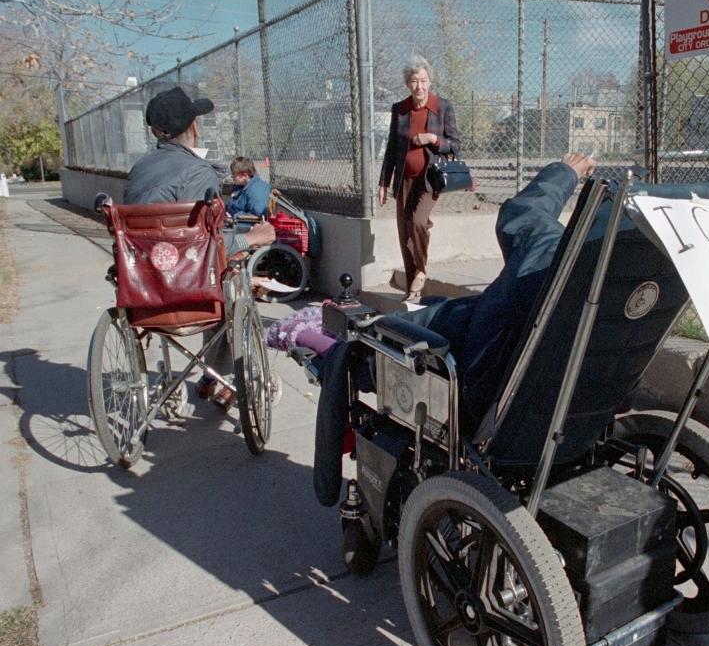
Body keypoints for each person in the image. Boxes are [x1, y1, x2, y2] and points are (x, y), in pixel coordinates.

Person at [312, 152, 596, 506]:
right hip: (570, 412)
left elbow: (522, 213)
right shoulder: (618, 280)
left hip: (474, 388)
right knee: (430, 313)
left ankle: (328, 473)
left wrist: (565, 171)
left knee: (352, 349)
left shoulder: (549, 253)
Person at [124, 85, 276, 408]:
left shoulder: (138, 172)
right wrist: (253, 238)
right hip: (191, 296)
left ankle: (210, 376)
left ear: (155, 132)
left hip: (144, 295)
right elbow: (208, 244)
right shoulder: (198, 172)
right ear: (194, 127)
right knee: (231, 279)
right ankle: (219, 377)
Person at [378, 54, 461, 302]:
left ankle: (421, 271)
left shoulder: (442, 107)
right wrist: (384, 181)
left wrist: (433, 139)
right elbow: (392, 148)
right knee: (405, 234)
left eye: (423, 80)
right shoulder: (400, 110)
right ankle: (412, 290)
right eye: (414, 81)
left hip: (430, 178)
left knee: (417, 222)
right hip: (404, 178)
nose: (419, 86)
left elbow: (455, 145)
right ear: (407, 84)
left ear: (430, 82)